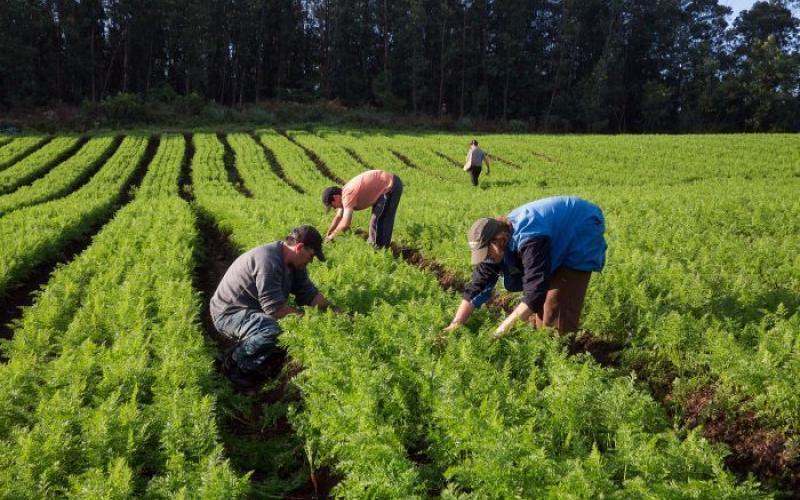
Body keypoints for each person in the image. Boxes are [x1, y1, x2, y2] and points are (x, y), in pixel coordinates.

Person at [444, 196, 607, 337]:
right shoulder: (498, 242)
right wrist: (455, 324)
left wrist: (500, 332)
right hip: (554, 236)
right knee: (539, 314)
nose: (486, 258)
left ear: (498, 240)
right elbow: (477, 287)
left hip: (580, 229)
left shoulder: (529, 240)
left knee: (555, 313)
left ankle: (557, 356)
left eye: (487, 253)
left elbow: (534, 293)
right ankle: (542, 347)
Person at [210, 225, 335, 387]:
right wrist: (310, 321)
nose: (310, 261)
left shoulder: (295, 264)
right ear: (299, 248)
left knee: (280, 338)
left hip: (251, 311)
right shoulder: (268, 260)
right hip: (228, 314)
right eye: (311, 256)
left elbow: (309, 294)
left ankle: (261, 361)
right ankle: (234, 363)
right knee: (271, 329)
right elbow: (275, 309)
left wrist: (334, 311)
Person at [321, 169, 403, 248]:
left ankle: (379, 250)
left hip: (391, 186)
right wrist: (328, 234)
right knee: (377, 220)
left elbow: (345, 223)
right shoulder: (343, 193)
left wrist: (332, 237)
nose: (335, 208)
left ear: (335, 197)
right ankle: (376, 248)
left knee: (378, 221)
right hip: (385, 185)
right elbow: (338, 217)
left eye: (333, 205)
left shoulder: (348, 195)